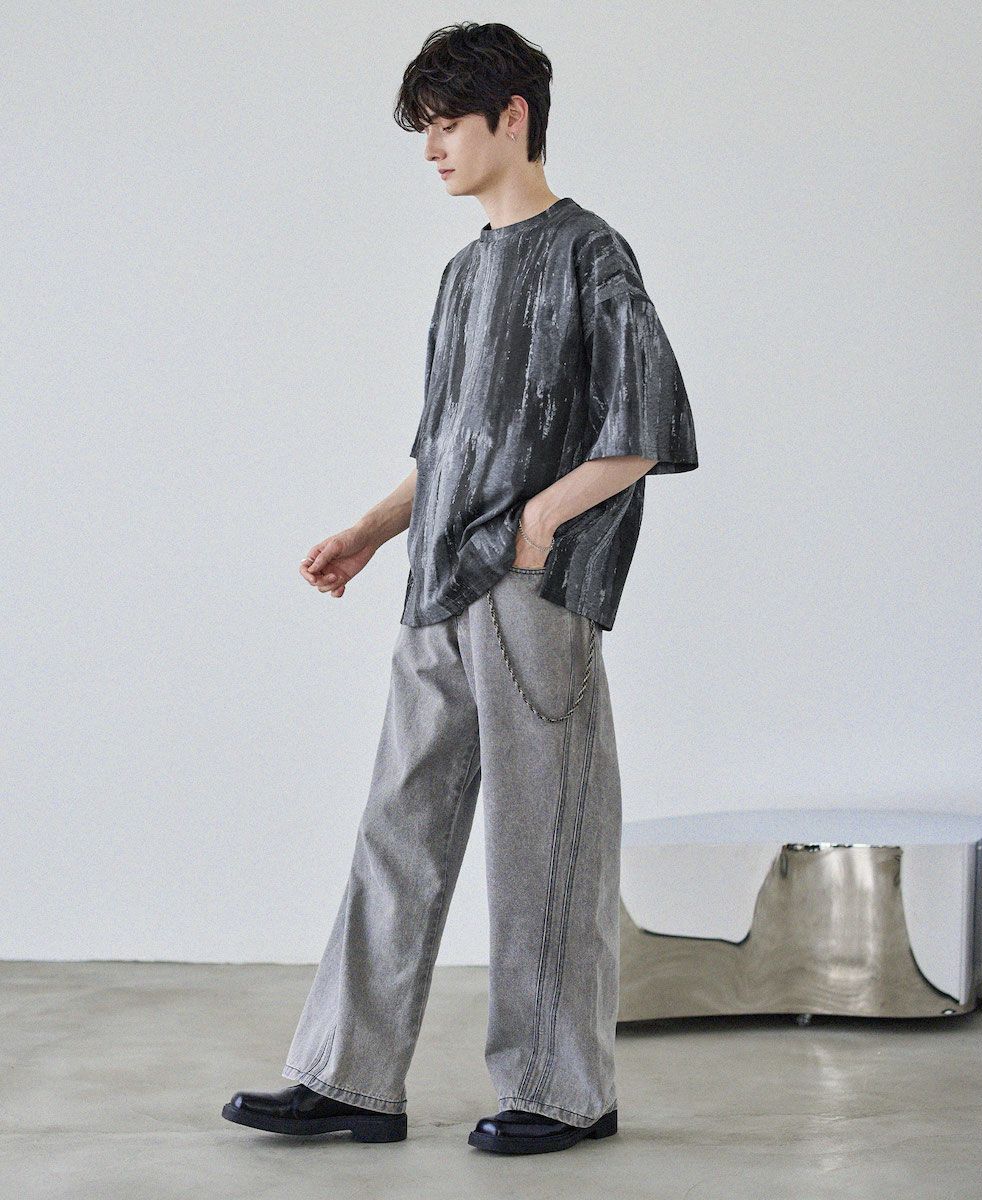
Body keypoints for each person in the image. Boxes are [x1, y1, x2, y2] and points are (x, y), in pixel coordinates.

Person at [222, 20, 698, 1156]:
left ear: (512, 117)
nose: (432, 149)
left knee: (545, 840)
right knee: (399, 825)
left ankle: (563, 1090)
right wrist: (369, 531)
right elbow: (447, 444)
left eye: (446, 125)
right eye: (424, 130)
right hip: (435, 585)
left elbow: (646, 425)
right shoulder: (463, 272)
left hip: (534, 594)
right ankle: (348, 1078)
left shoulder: (590, 254)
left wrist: (539, 519)